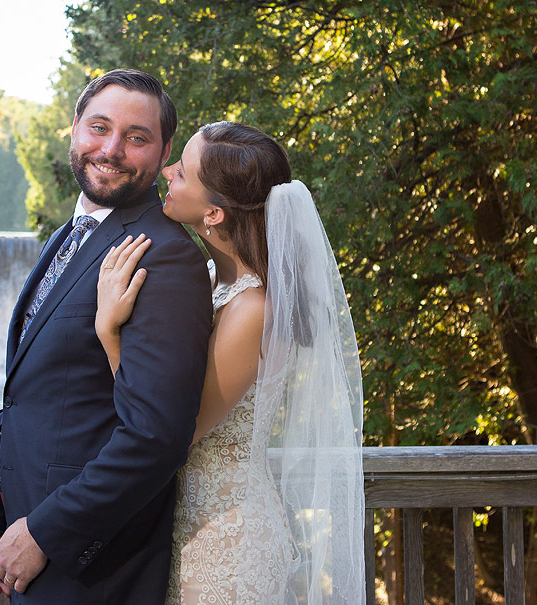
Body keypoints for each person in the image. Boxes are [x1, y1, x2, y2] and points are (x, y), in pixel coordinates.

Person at [0, 69, 212, 604]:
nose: (111, 149)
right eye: (99, 127)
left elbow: (156, 436)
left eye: (136, 138)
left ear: (163, 151)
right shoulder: (74, 232)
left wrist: (46, 531)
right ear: (74, 129)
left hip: (94, 567)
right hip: (27, 543)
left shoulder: (163, 254)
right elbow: (36, 396)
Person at [95, 121, 365, 604]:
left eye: (184, 171)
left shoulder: (253, 309)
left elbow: (179, 428)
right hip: (184, 523)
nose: (168, 169)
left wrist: (108, 332)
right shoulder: (212, 282)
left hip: (226, 543)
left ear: (214, 213)